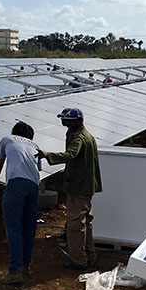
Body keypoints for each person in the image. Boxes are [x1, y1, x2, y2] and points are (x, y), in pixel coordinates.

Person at [37, 108, 102, 270]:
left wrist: (48, 155)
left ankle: (79, 261)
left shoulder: (80, 138)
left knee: (75, 225)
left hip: (79, 188)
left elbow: (71, 154)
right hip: (85, 186)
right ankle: (90, 257)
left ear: (75, 121)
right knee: (85, 223)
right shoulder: (83, 135)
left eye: (65, 119)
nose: (62, 122)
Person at [0, 121, 39, 284]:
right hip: (33, 187)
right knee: (28, 228)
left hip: (16, 185)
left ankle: (15, 271)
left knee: (14, 228)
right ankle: (25, 267)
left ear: (14, 132)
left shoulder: (8, 140)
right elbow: (36, 167)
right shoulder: (34, 146)